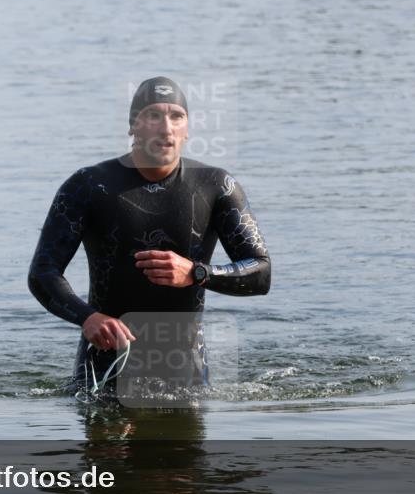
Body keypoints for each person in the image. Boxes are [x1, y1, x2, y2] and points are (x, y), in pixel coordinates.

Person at [28, 76, 271, 397]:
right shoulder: (87, 186)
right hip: (103, 370)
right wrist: (88, 319)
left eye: (176, 116)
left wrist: (197, 273)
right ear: (133, 126)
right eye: (153, 115)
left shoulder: (216, 186)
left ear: (187, 128)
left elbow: (261, 272)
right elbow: (43, 273)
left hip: (187, 375)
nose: (166, 128)